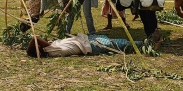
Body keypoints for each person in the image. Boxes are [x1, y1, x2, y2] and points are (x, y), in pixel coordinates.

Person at [27, 31, 162, 58]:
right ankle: (148, 44)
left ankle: (147, 42)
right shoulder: (52, 50)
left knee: (117, 41)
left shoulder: (52, 48)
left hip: (88, 39)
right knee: (120, 44)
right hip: (92, 45)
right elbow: (35, 38)